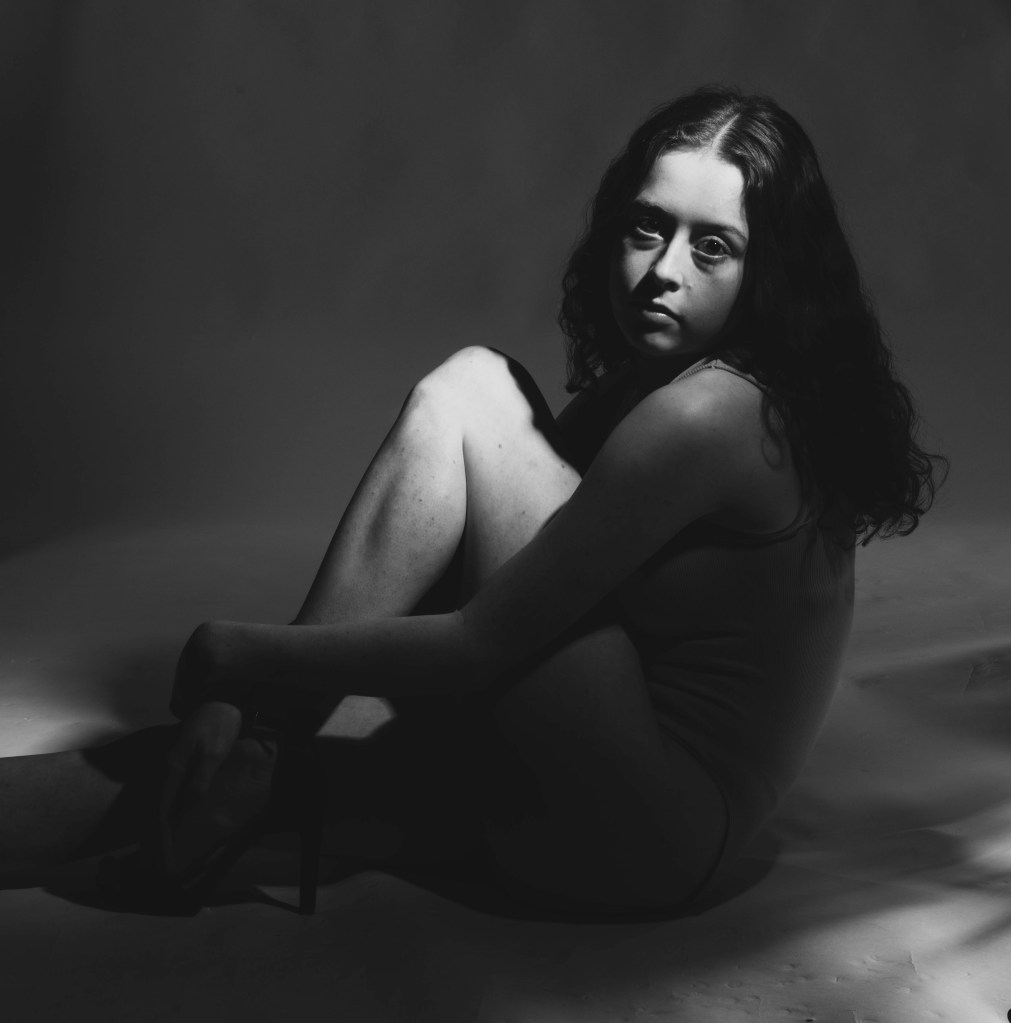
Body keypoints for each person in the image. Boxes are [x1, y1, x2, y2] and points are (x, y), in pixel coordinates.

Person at [0, 86, 944, 917]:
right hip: (599, 795)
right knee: (193, 762)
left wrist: (234, 656)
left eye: (712, 247)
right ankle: (243, 765)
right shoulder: (646, 393)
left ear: (769, 272)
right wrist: (252, 710)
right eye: (646, 228)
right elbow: (473, 573)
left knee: (473, 390)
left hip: (641, 840)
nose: (664, 271)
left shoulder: (711, 414)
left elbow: (478, 644)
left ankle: (260, 737)